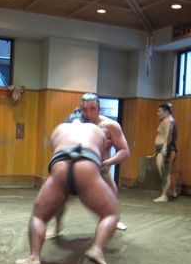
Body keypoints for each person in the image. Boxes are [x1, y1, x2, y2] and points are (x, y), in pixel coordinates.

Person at [15, 118, 119, 264]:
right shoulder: (97, 129)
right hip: (87, 166)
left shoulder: (60, 128)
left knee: (38, 216)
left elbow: (55, 148)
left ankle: (34, 257)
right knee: (111, 214)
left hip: (60, 166)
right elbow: (102, 162)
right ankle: (96, 249)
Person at [49, 93, 130, 235]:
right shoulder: (74, 124)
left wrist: (108, 162)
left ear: (99, 109)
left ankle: (110, 225)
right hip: (77, 171)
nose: (88, 113)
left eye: (92, 109)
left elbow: (124, 150)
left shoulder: (110, 126)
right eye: (85, 109)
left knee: (111, 199)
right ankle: (57, 226)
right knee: (59, 199)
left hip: (101, 171)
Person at [153, 103, 178, 202]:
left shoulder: (169, 121)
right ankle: (172, 191)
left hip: (166, 148)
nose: (157, 113)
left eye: (160, 111)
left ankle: (164, 195)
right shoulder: (168, 120)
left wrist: (164, 148)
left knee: (164, 173)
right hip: (164, 148)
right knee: (167, 172)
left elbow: (168, 134)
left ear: (166, 112)